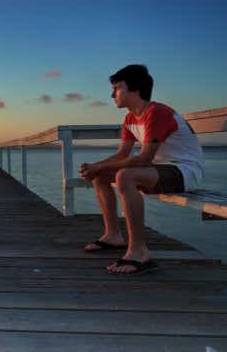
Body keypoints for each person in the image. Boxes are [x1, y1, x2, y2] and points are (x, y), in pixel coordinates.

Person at [79, 64, 204, 275]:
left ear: (134, 90)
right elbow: (122, 155)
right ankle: (113, 236)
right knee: (100, 176)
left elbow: (144, 159)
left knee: (125, 176)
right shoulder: (129, 118)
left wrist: (98, 166)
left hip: (184, 172)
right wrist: (96, 168)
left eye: (117, 88)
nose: (112, 94)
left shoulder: (157, 113)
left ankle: (139, 252)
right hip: (160, 169)